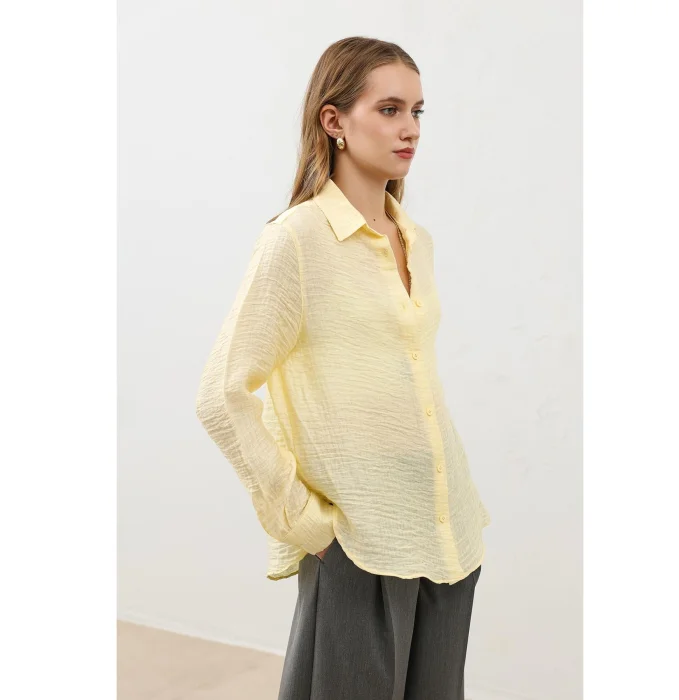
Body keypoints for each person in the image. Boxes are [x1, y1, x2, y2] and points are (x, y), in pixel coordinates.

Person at [195, 35, 492, 700]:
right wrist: (304, 522)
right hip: (359, 540)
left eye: (417, 111)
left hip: (448, 532)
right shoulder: (297, 241)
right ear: (334, 120)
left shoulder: (415, 239)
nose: (410, 128)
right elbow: (221, 394)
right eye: (389, 109)